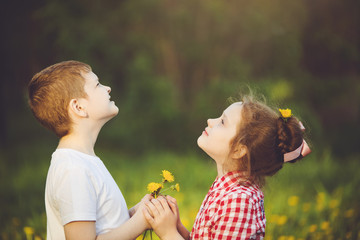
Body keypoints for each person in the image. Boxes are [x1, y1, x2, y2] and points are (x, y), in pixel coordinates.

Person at [143, 95, 311, 240]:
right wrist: (176, 226)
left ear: (239, 150)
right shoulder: (227, 188)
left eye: (222, 122)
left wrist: (168, 233)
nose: (210, 121)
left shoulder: (239, 201)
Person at [28, 60, 152, 240]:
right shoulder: (73, 169)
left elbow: (106, 227)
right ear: (78, 107)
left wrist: (137, 212)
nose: (107, 88)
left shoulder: (84, 161)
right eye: (97, 84)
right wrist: (141, 222)